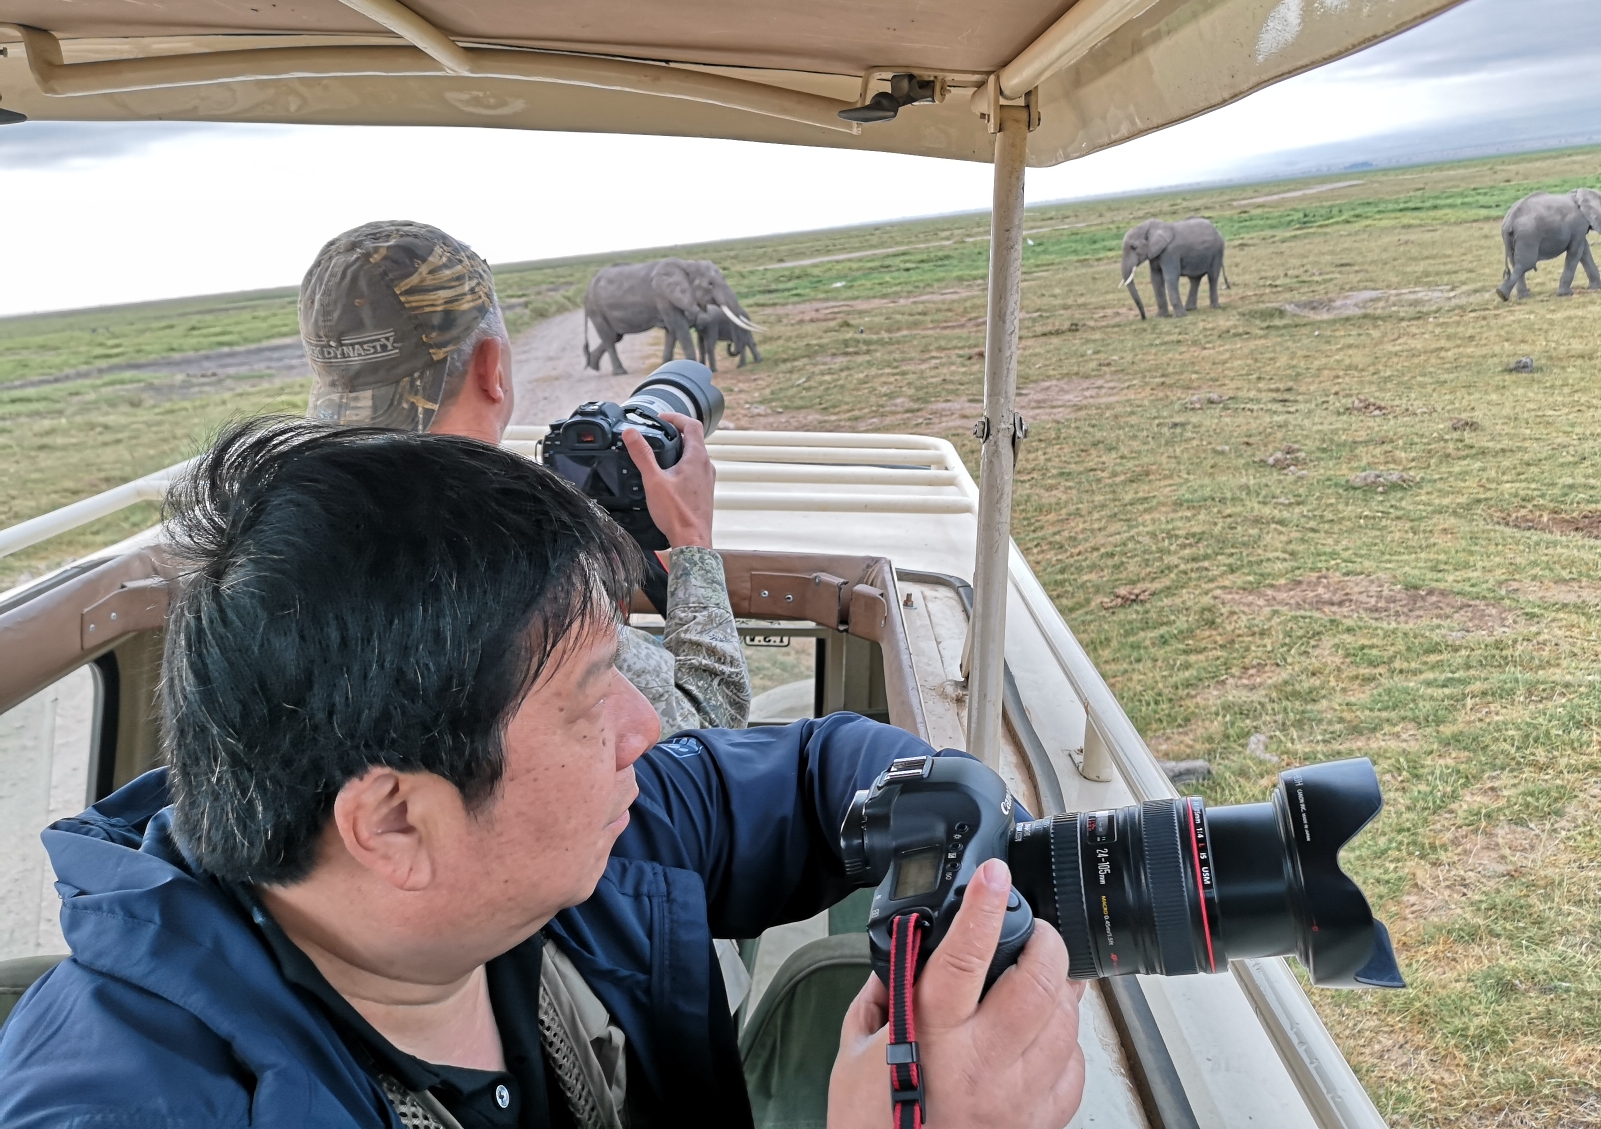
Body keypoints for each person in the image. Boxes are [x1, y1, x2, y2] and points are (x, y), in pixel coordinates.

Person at [0, 421, 1085, 1128]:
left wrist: (959, 820)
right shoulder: (124, 1106)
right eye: (587, 702)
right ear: (392, 824)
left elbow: (823, 769)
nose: (645, 734)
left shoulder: (558, 851)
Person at [298, 220, 748, 734]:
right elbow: (705, 731)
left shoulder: (261, 529)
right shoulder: (516, 578)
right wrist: (693, 544)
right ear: (493, 369)